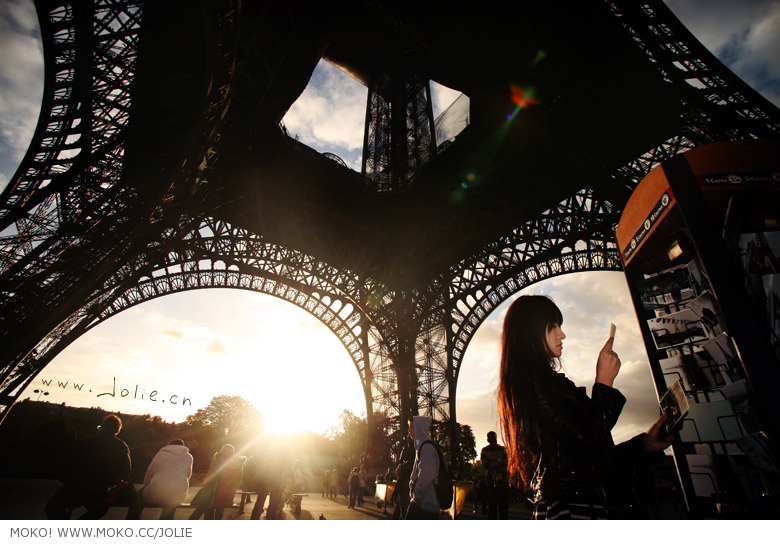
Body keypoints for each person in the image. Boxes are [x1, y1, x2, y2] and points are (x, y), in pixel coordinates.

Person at [496, 295, 674, 519]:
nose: (562, 334)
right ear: (531, 332)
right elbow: (589, 441)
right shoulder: (532, 383)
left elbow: (592, 454)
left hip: (579, 505)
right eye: (553, 326)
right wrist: (604, 383)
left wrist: (644, 445)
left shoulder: (549, 384)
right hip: (572, 508)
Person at [46, 414, 140, 520]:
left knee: (52, 508)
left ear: (103, 427)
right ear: (117, 430)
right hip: (98, 491)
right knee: (100, 510)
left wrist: (66, 479)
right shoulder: (121, 446)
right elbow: (126, 471)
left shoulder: (85, 442)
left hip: (74, 486)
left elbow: (65, 462)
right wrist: (111, 481)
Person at [140, 439, 194, 519]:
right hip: (177, 494)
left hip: (156, 492)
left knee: (138, 497)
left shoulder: (160, 454)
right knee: (171, 503)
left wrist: (146, 485)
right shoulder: (188, 456)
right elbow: (188, 475)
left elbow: (149, 473)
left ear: (169, 445)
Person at [190, 444, 244, 520]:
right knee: (219, 513)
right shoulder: (239, 464)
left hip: (213, 495)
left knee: (208, 512)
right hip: (227, 497)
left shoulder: (217, 461)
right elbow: (238, 481)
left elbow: (210, 477)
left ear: (221, 452)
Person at [407, 415, 441, 519]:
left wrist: (416, 497)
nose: (409, 431)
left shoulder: (427, 448)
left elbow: (425, 476)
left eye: (412, 427)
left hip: (425, 506)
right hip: (422, 504)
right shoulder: (421, 447)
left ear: (419, 429)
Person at [480, 431, 509, 519]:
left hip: (502, 479)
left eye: (494, 438)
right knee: (492, 505)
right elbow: (484, 464)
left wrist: (499, 464)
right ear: (488, 440)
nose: (492, 440)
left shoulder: (503, 449)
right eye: (491, 438)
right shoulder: (485, 450)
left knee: (503, 505)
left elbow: (507, 461)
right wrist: (496, 463)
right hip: (491, 479)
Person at [391, 434, 415, 519]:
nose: (410, 440)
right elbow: (401, 463)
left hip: (405, 482)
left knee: (401, 506)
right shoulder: (408, 450)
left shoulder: (412, 450)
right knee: (403, 507)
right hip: (405, 483)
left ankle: (395, 517)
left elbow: (402, 463)